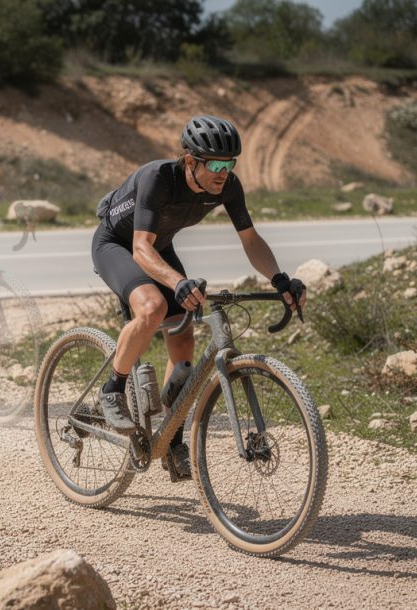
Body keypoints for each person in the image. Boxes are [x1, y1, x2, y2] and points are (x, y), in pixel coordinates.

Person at [90, 115, 307, 480]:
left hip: (159, 246)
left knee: (184, 332)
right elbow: (141, 248)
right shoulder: (157, 178)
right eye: (216, 164)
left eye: (230, 163)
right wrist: (177, 282)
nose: (224, 172)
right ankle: (112, 389)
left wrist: (279, 279)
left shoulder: (227, 187)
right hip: (118, 244)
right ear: (191, 161)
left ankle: (171, 435)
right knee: (153, 308)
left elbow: (250, 240)